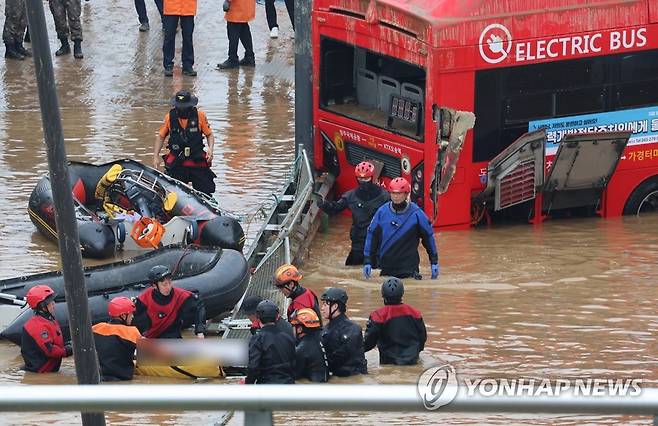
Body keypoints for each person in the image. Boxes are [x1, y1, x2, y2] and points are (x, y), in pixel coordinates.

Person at [363, 177, 439, 280]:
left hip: (409, 269)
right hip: (386, 269)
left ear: (406, 194)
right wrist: (367, 261)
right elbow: (372, 235)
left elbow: (429, 237)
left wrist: (434, 262)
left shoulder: (417, 214)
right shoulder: (381, 212)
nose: (396, 196)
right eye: (393, 193)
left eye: (399, 193)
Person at [318, 161, 390, 266]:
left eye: (366, 179)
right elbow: (335, 209)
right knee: (349, 269)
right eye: (360, 179)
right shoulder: (350, 196)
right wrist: (323, 204)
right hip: (358, 244)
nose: (363, 182)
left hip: (377, 244)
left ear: (372, 177)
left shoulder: (385, 197)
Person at [154, 90, 217, 195]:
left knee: (206, 190)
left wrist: (211, 149)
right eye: (180, 107)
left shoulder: (200, 116)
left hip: (196, 159)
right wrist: (156, 156)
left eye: (185, 107)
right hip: (177, 161)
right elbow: (161, 137)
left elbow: (209, 135)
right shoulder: (169, 117)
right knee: (170, 191)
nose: (182, 109)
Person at [364, 277, 427, 365]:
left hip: (389, 363)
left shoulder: (377, 316)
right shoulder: (415, 313)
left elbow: (369, 343)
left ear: (383, 294)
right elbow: (422, 337)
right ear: (402, 293)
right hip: (412, 361)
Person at [134, 265, 206, 339]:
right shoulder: (145, 298)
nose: (168, 287)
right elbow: (133, 317)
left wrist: (200, 330)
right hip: (151, 338)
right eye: (164, 284)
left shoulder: (180, 294)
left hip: (173, 336)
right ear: (154, 286)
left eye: (169, 282)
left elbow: (199, 305)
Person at [20, 285, 72, 373]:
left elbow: (57, 343)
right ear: (42, 306)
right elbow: (50, 351)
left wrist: (70, 344)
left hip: (47, 370)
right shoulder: (37, 326)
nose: (53, 303)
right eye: (50, 302)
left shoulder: (49, 320)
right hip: (39, 374)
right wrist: (69, 350)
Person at [245, 300, 296, 384]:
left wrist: (248, 384)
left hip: (267, 387)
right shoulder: (287, 337)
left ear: (258, 318)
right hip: (288, 385)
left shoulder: (257, 339)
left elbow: (253, 367)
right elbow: (294, 363)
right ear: (277, 317)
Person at [92, 297, 142, 381]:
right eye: (131, 314)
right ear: (123, 315)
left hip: (99, 378)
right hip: (122, 380)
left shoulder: (96, 328)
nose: (132, 316)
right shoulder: (132, 332)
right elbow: (152, 354)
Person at [320, 287, 367, 377]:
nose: (322, 308)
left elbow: (339, 358)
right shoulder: (325, 330)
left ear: (335, 306)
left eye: (325, 304)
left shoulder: (352, 330)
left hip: (351, 379)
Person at [290, 308, 329, 383]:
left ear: (300, 329)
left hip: (314, 388)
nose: (292, 329)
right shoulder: (320, 339)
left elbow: (295, 375)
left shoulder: (302, 348)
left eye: (293, 326)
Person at [162, 0, 197, 76]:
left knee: (188, 37)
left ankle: (187, 65)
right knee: (169, 36)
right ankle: (168, 65)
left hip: (188, 7)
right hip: (171, 6)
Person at [217, 0, 255, 69]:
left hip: (237, 6)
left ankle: (232, 59)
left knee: (233, 31)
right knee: (244, 29)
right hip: (246, 5)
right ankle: (249, 57)